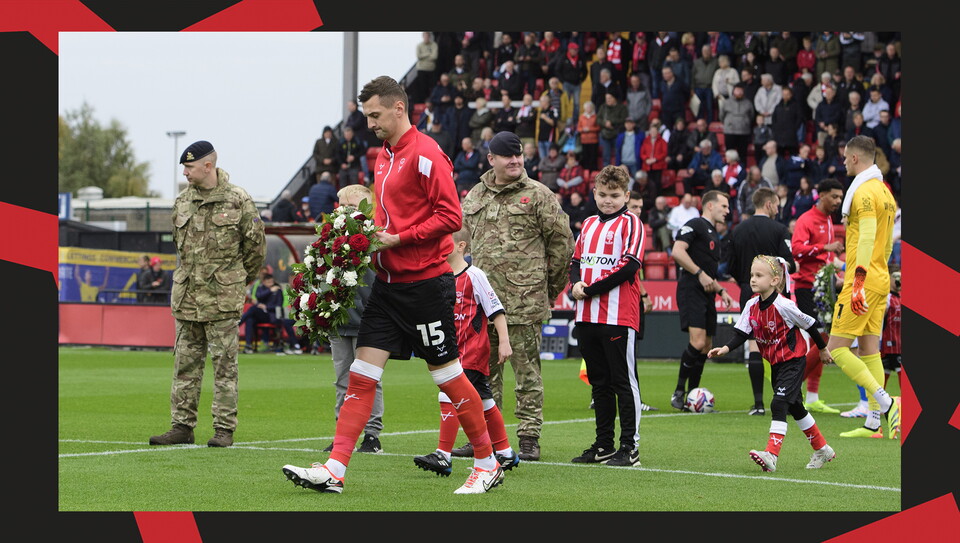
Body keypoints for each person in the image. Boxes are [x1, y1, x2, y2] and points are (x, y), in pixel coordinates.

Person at [282, 76, 505, 495]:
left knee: (450, 378)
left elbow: (451, 217)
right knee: (360, 375)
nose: (370, 123)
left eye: (375, 115)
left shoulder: (426, 154)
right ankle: (335, 469)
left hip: (425, 286)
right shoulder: (384, 155)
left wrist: (399, 238)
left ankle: (487, 462)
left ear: (399, 108)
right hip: (387, 286)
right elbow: (390, 217)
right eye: (366, 116)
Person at [461, 130, 575, 462]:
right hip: (482, 304)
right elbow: (461, 243)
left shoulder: (538, 195)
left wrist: (548, 289)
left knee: (526, 374)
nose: (515, 161)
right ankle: (483, 437)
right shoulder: (475, 196)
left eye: (519, 155)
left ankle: (528, 438)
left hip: (524, 303)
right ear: (491, 159)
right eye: (507, 156)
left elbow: (562, 245)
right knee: (481, 375)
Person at [150, 140, 266, 448]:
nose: (185, 172)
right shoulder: (182, 202)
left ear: (207, 166)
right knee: (185, 366)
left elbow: (255, 248)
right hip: (188, 297)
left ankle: (224, 429)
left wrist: (235, 281)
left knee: (224, 366)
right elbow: (180, 247)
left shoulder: (238, 199)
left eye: (189, 167)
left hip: (222, 298)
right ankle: (181, 426)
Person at [707, 255, 835, 473]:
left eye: (759, 275)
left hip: (793, 362)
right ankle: (822, 448)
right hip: (776, 364)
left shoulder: (785, 305)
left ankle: (771, 455)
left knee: (778, 404)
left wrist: (822, 349)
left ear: (775, 280)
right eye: (751, 275)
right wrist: (725, 348)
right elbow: (741, 332)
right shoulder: (751, 304)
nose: (753, 280)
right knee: (796, 408)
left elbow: (811, 324)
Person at [415, 226, 520, 476]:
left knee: (448, 394)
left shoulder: (475, 276)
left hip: (472, 349)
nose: (438, 246)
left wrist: (504, 341)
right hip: (448, 349)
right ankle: (505, 452)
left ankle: (443, 455)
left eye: (444, 241)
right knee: (484, 401)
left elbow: (495, 309)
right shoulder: (438, 276)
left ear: (460, 246)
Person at [569, 165, 647, 466]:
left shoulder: (632, 224)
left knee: (623, 381)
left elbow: (629, 266)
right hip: (587, 316)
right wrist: (575, 283)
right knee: (599, 382)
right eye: (602, 195)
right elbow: (576, 260)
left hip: (618, 315)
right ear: (594, 193)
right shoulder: (587, 223)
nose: (608, 201)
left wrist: (590, 289)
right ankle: (604, 445)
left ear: (626, 195)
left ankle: (630, 447)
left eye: (615, 195)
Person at [828, 135, 898, 439]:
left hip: (863, 280)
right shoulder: (885, 192)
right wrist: (878, 274)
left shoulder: (864, 193)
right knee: (870, 350)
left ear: (855, 158)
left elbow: (868, 236)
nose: (843, 162)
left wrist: (857, 281)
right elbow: (887, 246)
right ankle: (873, 422)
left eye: (845, 158)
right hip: (879, 278)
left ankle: (886, 402)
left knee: (836, 350)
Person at [323, 184, 384, 455]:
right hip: (339, 317)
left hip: (369, 318)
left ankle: (371, 435)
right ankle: (342, 433)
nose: (338, 210)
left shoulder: (376, 237)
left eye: (344, 206)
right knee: (342, 378)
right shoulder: (330, 238)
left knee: (369, 378)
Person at [726, 187, 796, 415]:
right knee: (781, 346)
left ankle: (758, 404)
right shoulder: (780, 229)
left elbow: (731, 266)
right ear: (768, 204)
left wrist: (748, 283)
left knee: (754, 344)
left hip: (748, 291)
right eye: (776, 204)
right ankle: (785, 398)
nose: (778, 208)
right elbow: (790, 264)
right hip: (774, 295)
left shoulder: (737, 230)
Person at [669, 190, 735, 410]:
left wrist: (721, 291)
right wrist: (699, 274)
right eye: (724, 206)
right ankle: (679, 391)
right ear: (710, 206)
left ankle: (692, 395)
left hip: (706, 293)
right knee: (697, 342)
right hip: (691, 289)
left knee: (706, 345)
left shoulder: (713, 234)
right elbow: (677, 252)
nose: (727, 211)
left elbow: (708, 275)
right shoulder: (695, 224)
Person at [791, 177, 845, 414]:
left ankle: (812, 396)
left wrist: (840, 268)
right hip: (807, 287)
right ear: (821, 195)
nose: (838, 201)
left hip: (824, 286)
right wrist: (826, 248)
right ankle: (792, 388)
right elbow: (797, 249)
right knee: (821, 337)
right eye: (834, 196)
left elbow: (827, 258)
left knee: (820, 340)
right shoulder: (807, 219)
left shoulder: (828, 220)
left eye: (840, 197)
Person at [597, 91, 628, 168]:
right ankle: (606, 174)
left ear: (615, 98)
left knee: (618, 154)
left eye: (609, 98)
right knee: (606, 155)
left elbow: (624, 119)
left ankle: (618, 173)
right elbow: (598, 119)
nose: (608, 100)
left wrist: (612, 122)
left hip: (617, 134)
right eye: (606, 98)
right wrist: (605, 124)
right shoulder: (603, 107)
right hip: (605, 135)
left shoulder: (622, 107)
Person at [412, 31, 439, 105]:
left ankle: (432, 102)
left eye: (428, 36)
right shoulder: (419, 45)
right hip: (421, 69)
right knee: (422, 87)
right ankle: (423, 102)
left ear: (429, 37)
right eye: (425, 36)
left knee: (432, 87)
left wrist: (423, 56)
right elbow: (418, 56)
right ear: (423, 36)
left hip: (431, 69)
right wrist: (428, 54)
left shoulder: (434, 45)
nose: (426, 37)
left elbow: (435, 56)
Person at [639, 123, 667, 194]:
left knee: (657, 183)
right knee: (649, 183)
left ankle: (658, 196)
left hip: (658, 165)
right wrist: (646, 159)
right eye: (652, 131)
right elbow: (642, 152)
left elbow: (664, 153)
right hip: (647, 165)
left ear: (657, 132)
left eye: (654, 131)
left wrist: (655, 159)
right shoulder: (645, 141)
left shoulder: (662, 141)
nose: (653, 133)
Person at [576, 100, 600, 171]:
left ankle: (593, 172)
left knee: (593, 157)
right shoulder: (581, 117)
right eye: (587, 108)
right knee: (585, 157)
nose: (588, 109)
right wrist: (583, 129)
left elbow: (598, 127)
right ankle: (586, 171)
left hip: (593, 140)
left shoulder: (595, 116)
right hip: (584, 140)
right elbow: (578, 128)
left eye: (589, 107)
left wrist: (589, 129)